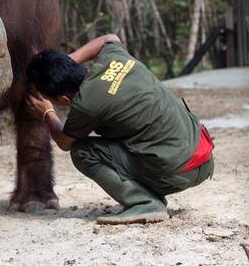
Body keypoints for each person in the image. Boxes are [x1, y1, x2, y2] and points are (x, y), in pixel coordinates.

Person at [25, 34, 214, 224]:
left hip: (179, 172)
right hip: (203, 155)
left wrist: (48, 112)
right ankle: (148, 196)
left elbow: (65, 142)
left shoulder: (86, 105)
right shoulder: (115, 58)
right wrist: (64, 63)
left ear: (64, 100)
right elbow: (109, 37)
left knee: (82, 152)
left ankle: (145, 202)